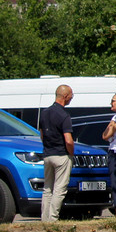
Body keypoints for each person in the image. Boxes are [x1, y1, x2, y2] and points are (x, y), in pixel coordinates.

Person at [38, 84, 74, 222]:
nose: (72, 97)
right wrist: (70, 154)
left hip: (48, 154)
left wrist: (48, 146)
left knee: (47, 188)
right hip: (61, 154)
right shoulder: (64, 115)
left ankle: (44, 219)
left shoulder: (45, 113)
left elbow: (41, 135)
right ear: (65, 96)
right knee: (59, 189)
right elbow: (69, 140)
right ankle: (53, 219)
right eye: (71, 95)